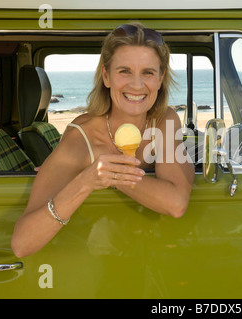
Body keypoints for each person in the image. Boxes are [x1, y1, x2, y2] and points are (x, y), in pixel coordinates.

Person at [11, 23, 195, 258]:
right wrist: (85, 180)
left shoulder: (164, 120)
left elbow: (176, 203)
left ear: (160, 79)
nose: (137, 85)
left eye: (148, 72)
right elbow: (22, 244)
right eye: (124, 71)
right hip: (93, 259)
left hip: (151, 255)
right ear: (106, 76)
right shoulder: (82, 137)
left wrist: (114, 176)